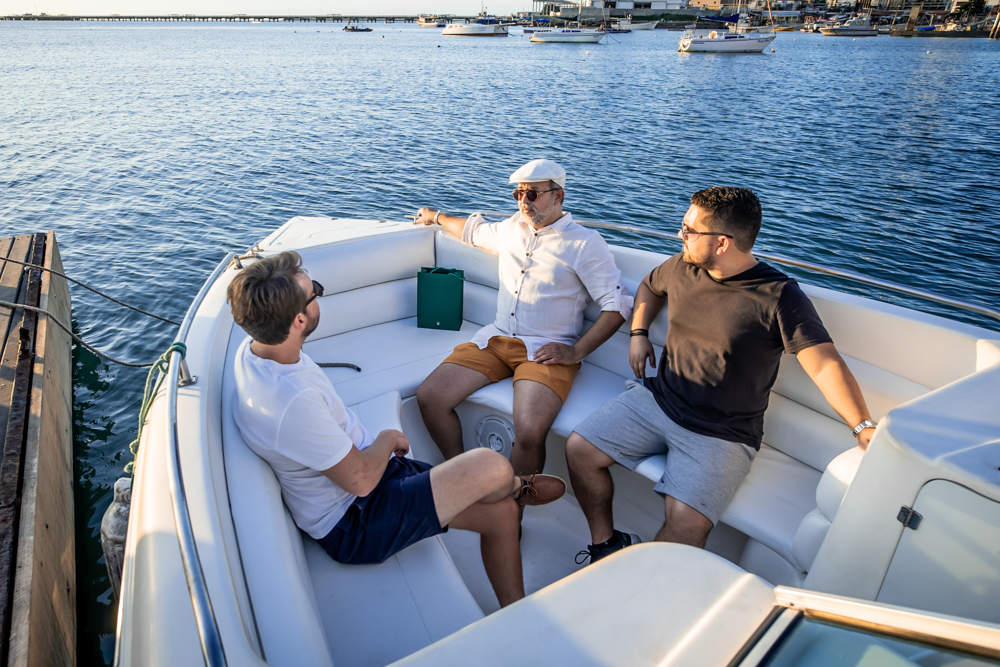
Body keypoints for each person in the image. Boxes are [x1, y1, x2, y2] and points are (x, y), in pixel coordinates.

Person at [228, 251, 567, 607]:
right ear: (299, 320)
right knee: (492, 466)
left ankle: (516, 608)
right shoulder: (290, 401)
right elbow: (360, 481)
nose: (319, 294)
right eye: (315, 291)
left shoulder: (259, 350)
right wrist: (387, 438)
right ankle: (514, 485)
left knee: (504, 514)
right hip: (355, 520)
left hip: (373, 481)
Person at [566, 186, 877, 563]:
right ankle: (606, 545)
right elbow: (649, 286)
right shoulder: (682, 266)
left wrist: (862, 427)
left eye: (688, 230)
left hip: (722, 433)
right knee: (579, 450)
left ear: (722, 242)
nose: (679, 235)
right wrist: (639, 333)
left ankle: (649, 579)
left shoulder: (779, 295)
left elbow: (825, 363)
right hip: (659, 399)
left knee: (686, 525)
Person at [414, 159, 633, 484]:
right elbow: (474, 231)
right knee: (430, 396)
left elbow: (617, 305)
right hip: (495, 340)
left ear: (558, 196)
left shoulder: (584, 244)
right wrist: (436, 216)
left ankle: (511, 504)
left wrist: (575, 352)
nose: (523, 202)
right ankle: (464, 481)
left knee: (529, 431)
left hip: (545, 351)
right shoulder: (510, 229)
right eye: (518, 194)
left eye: (532, 194)